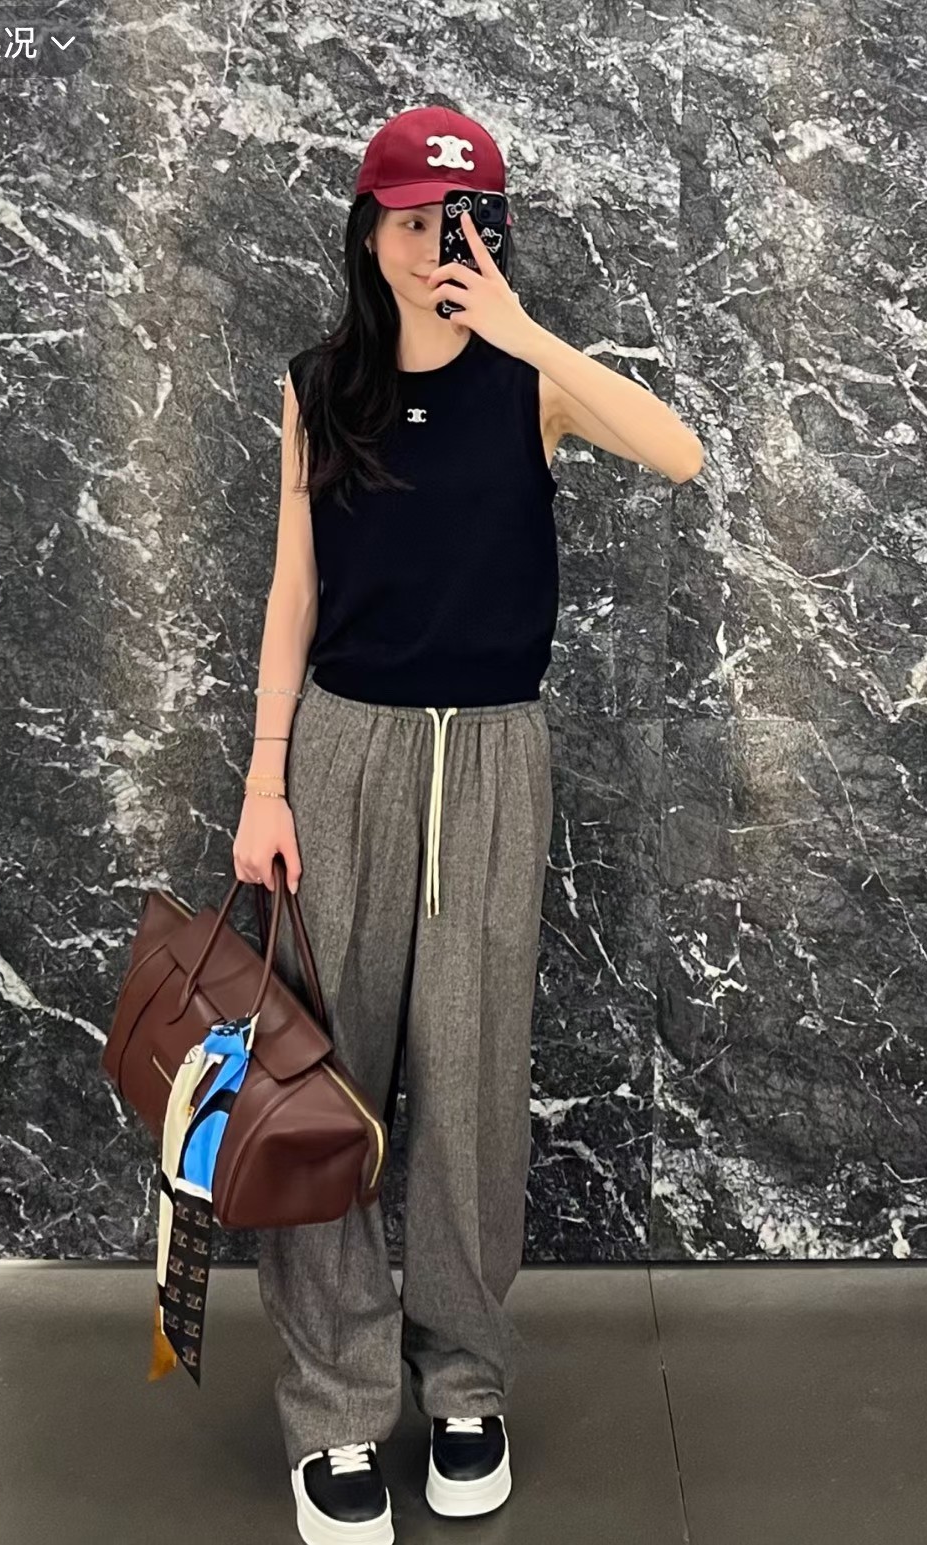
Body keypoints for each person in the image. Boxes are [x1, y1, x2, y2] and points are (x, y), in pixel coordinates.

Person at [234, 104, 703, 1545]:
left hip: (496, 757)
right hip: (346, 753)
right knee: (322, 1085)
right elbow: (294, 595)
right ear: (369, 230)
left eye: (464, 217)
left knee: (474, 1085)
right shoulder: (320, 387)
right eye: (413, 218)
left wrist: (523, 330)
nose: (436, 240)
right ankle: (334, 1407)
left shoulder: (529, 382)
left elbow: (680, 455)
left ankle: (464, 1384)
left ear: (493, 230)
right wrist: (264, 782)